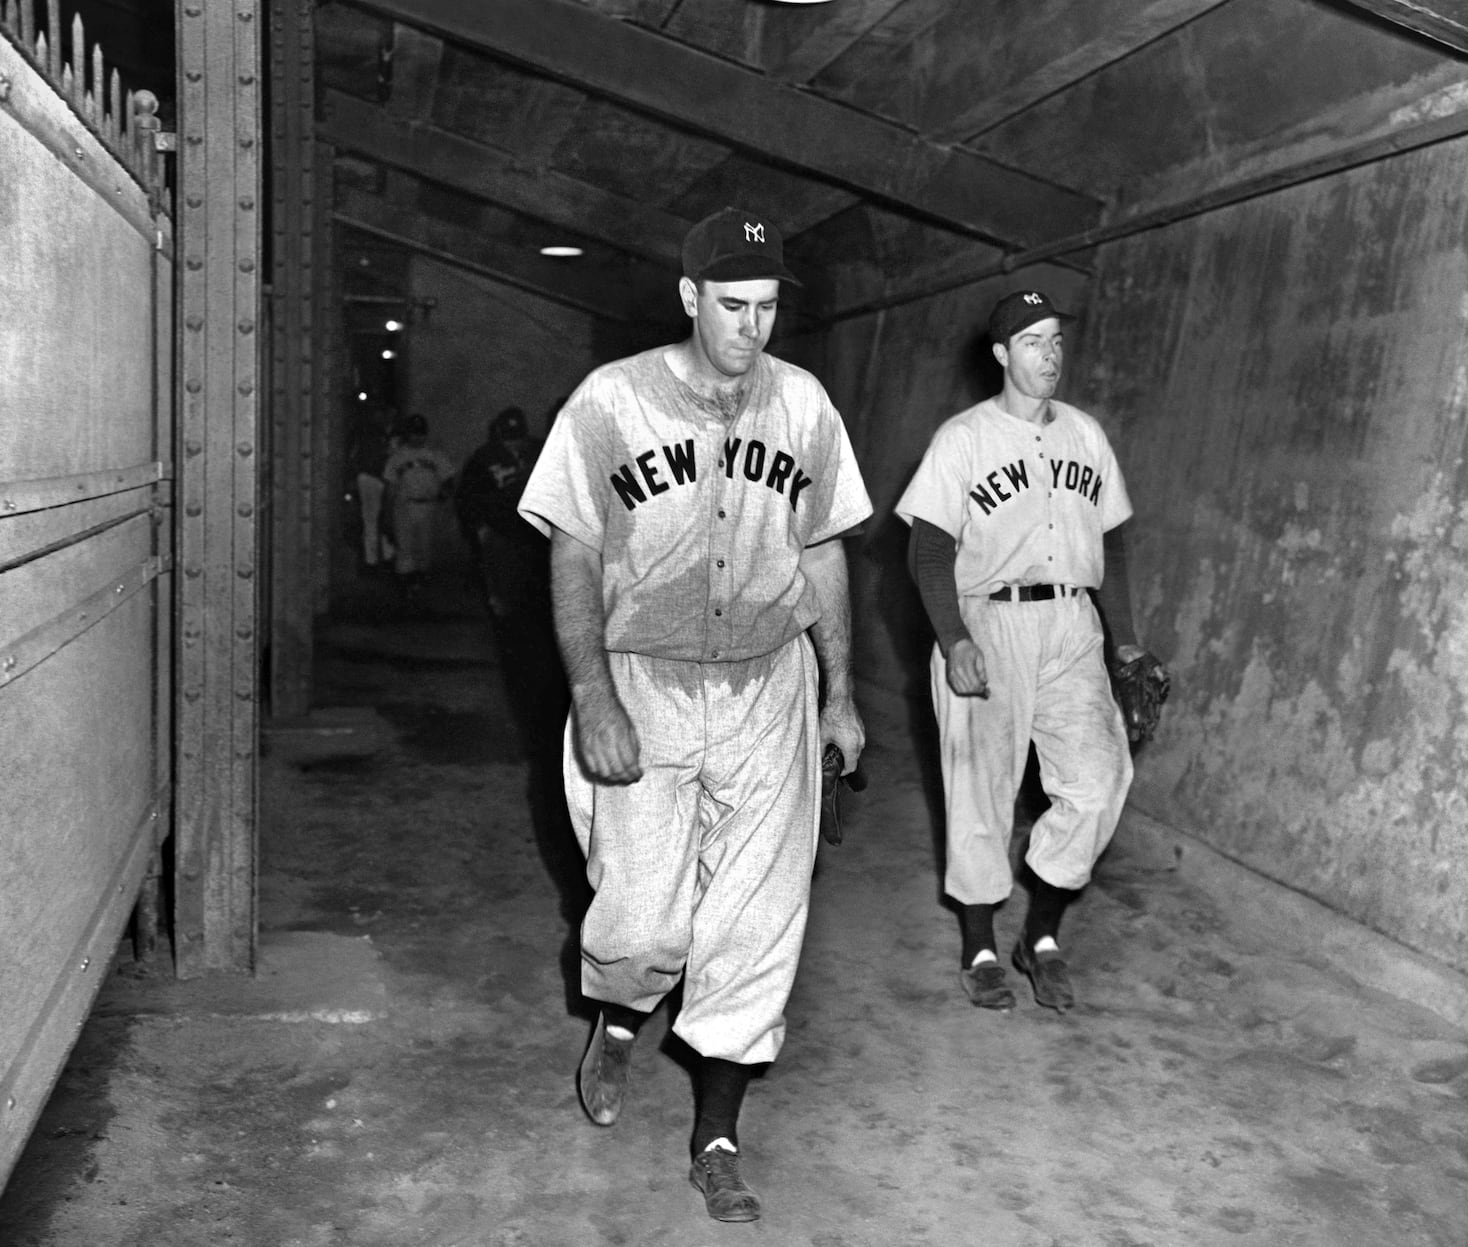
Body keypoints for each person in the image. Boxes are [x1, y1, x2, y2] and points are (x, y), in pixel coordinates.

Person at [517, 205, 872, 1224]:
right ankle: (621, 1013)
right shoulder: (610, 402)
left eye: (765, 308)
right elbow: (573, 548)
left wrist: (839, 692)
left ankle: (716, 1135)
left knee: (758, 921)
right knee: (637, 922)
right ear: (688, 296)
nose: (750, 327)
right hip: (643, 681)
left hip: (767, 686)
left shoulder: (803, 405)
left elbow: (821, 549)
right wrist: (591, 695)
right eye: (731, 305)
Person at [895, 289, 1147, 1014]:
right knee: (981, 786)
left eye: (1057, 340)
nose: (1050, 355)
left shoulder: (1086, 435)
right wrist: (955, 639)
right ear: (1003, 353)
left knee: (1099, 780)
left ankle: (1038, 932)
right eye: (1033, 342)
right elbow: (929, 551)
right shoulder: (964, 439)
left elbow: (1112, 541)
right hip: (988, 621)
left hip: (1072, 624)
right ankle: (978, 944)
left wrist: (1123, 638)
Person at [456, 405, 570, 829]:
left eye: (518, 439)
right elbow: (469, 502)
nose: (515, 446)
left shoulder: (546, 451)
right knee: (521, 650)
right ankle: (534, 734)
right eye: (508, 439)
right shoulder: (485, 460)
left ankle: (549, 734)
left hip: (544, 554)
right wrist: (480, 538)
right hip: (508, 550)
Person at [381, 412, 454, 599]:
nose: (417, 437)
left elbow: (448, 478)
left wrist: (445, 496)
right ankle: (407, 588)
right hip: (404, 504)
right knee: (405, 546)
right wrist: (387, 511)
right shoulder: (398, 456)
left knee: (425, 546)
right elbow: (390, 484)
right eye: (414, 433)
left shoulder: (434, 455)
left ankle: (420, 586)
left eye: (420, 433)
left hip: (428, 505)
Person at [346, 405, 395, 571]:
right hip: (370, 476)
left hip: (380, 477)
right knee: (372, 518)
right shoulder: (368, 433)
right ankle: (373, 559)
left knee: (382, 518)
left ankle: (382, 557)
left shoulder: (387, 433)